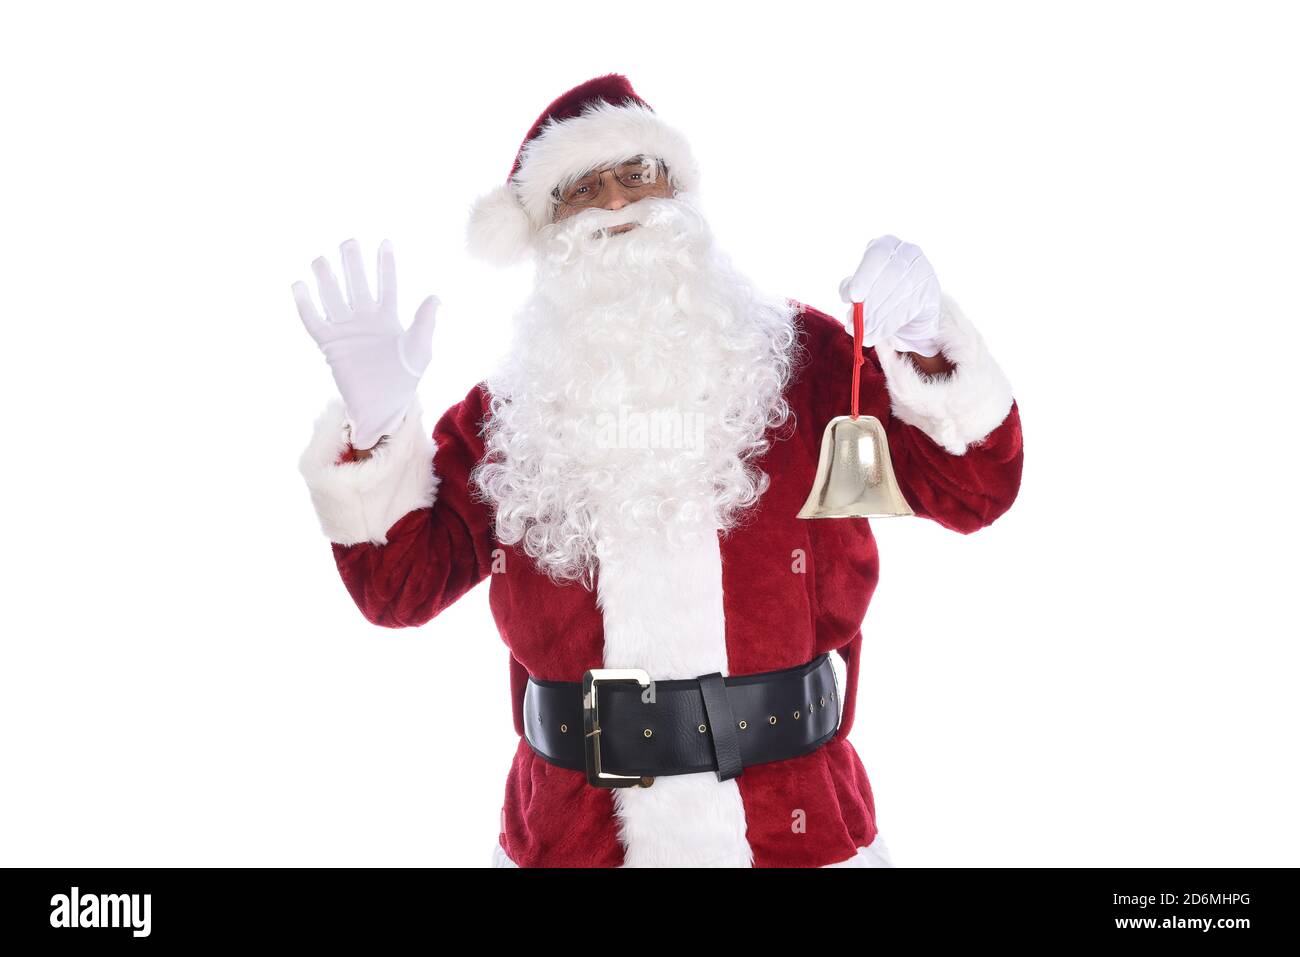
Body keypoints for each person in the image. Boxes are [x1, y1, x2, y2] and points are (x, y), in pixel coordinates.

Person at [293, 74, 1024, 867]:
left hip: (794, 833)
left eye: (637, 175)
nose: (615, 204)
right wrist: (377, 432)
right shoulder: (506, 415)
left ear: (681, 194)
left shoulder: (805, 361)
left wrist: (922, 338)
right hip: (577, 840)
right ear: (544, 234)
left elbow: (974, 489)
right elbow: (397, 588)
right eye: (581, 189)